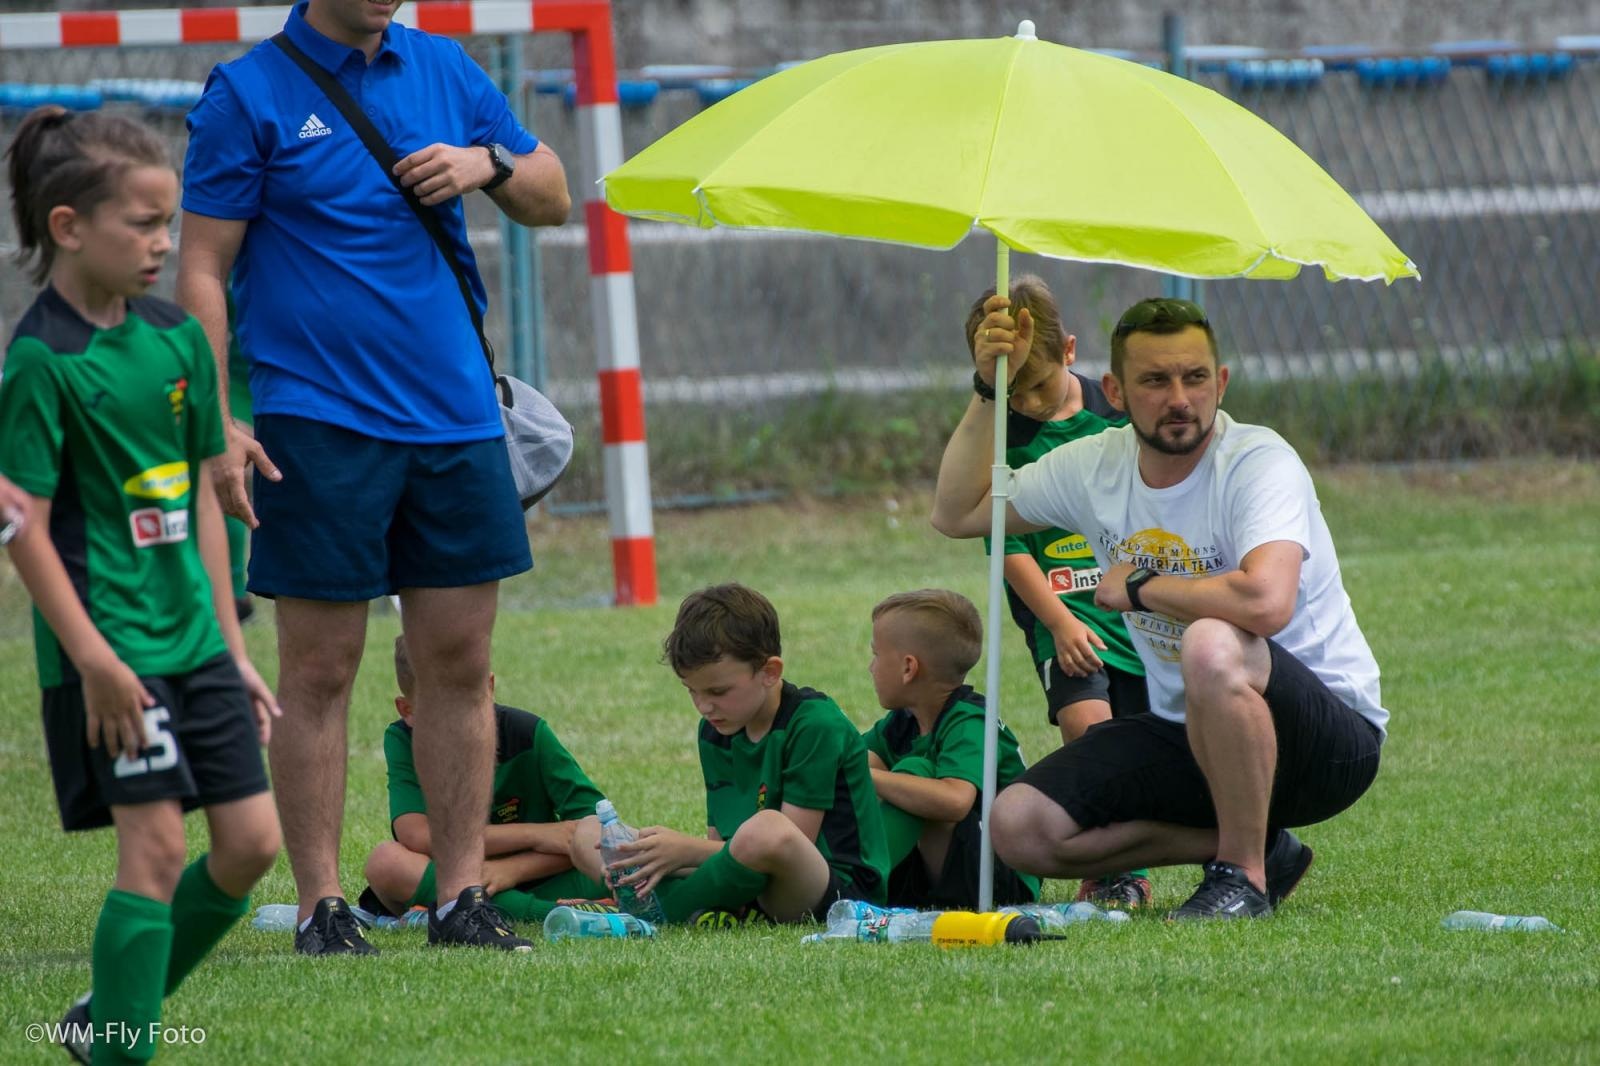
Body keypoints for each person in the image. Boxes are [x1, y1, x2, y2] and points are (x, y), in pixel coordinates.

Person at [176, 0, 571, 953]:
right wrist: (215, 420)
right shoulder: (247, 91)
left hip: (456, 417)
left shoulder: (446, 67)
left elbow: (553, 192)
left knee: (460, 665)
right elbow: (199, 265)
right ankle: (320, 905)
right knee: (318, 668)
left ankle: (460, 899)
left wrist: (491, 164)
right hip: (316, 421)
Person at [931, 296, 1386, 919]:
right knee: (1019, 825)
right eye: (1155, 380)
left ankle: (1242, 880)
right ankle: (1256, 848)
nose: (1179, 398)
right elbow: (956, 512)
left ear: (1220, 382)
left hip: (1329, 742)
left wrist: (1142, 585)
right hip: (1188, 730)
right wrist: (989, 386)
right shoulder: (1091, 468)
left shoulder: (1258, 461)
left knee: (1210, 640)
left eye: (1195, 377)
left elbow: (1265, 602)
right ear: (1114, 391)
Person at [0, 106, 281, 1061]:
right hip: (109, 651)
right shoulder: (41, 361)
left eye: (172, 223)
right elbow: (21, 526)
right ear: (68, 226)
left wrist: (233, 645)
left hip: (195, 639)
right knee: (157, 851)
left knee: (249, 847)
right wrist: (95, 664)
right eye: (145, 225)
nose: (166, 244)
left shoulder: (177, 341)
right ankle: (122, 1047)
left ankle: (107, 1016)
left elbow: (204, 497)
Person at [965, 277, 1155, 909]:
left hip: (1136, 613)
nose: (1029, 401)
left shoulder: (1117, 418)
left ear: (1070, 351)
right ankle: (1115, 870)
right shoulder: (1004, 438)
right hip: (1061, 617)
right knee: (1089, 731)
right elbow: (1007, 547)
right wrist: (1059, 623)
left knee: (1156, 739)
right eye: (1012, 389)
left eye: (1038, 383)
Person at [570, 583, 891, 926]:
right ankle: (645, 896)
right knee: (588, 833)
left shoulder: (815, 724)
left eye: (718, 691)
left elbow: (789, 842)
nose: (704, 706)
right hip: (750, 877)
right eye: (691, 691)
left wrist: (683, 852)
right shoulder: (716, 727)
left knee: (767, 830)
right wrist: (652, 857)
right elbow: (723, 849)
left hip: (833, 889)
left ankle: (647, 913)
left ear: (770, 672)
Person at [363, 636, 608, 924]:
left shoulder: (528, 733)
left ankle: (456, 910)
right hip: (457, 878)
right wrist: (539, 834)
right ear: (408, 711)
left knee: (617, 869)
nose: (458, 720)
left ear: (489, 688)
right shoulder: (402, 740)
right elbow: (417, 836)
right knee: (386, 863)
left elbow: (595, 832)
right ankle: (550, 916)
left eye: (468, 700)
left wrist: (512, 870)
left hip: (543, 875)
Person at [862, 589, 1040, 909]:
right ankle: (851, 875)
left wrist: (868, 777)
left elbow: (956, 801)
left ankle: (855, 882)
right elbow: (856, 764)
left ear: (908, 668)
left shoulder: (970, 721)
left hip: (998, 877)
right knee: (898, 781)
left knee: (917, 774)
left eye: (876, 655)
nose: (870, 668)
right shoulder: (903, 722)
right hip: (944, 868)